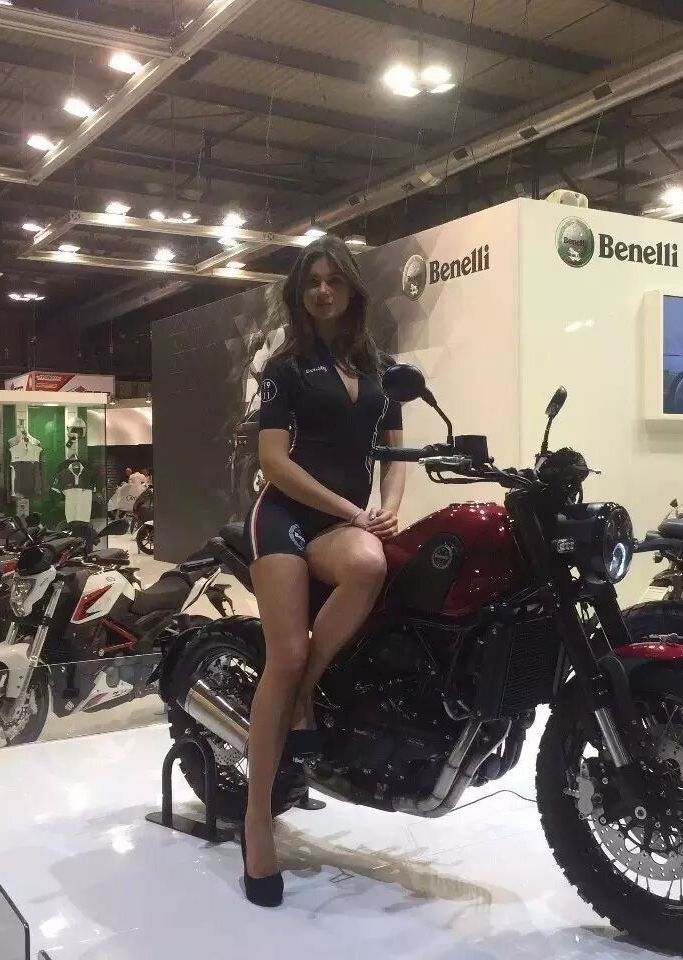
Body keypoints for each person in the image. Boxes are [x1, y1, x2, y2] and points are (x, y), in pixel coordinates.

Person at [242, 235, 406, 907]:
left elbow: (395, 452)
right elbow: (273, 462)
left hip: (346, 524)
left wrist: (387, 509)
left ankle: (308, 694)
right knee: (284, 656)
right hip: (285, 516)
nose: (322, 291)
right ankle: (257, 821)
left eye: (334, 280)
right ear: (299, 291)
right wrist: (351, 509)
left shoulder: (381, 369)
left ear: (352, 289)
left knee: (371, 563)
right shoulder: (283, 368)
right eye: (312, 281)